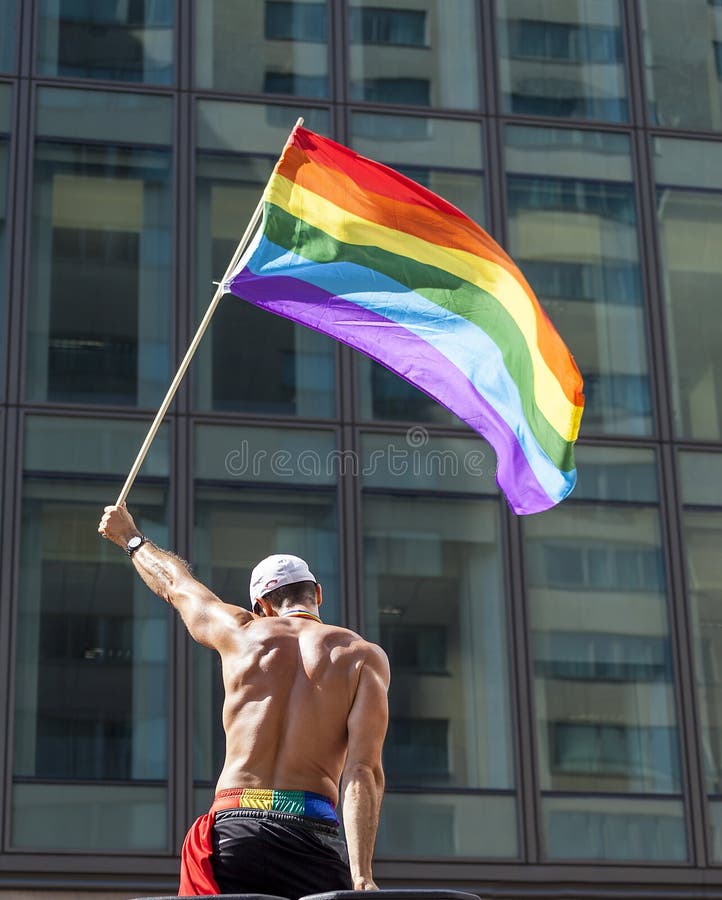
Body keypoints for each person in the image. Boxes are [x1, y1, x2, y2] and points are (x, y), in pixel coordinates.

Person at [97, 502, 390, 898]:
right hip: (311, 831)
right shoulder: (361, 656)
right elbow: (363, 771)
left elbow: (176, 586)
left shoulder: (241, 633)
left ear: (261, 606)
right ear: (317, 593)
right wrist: (362, 876)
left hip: (235, 832)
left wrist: (130, 538)